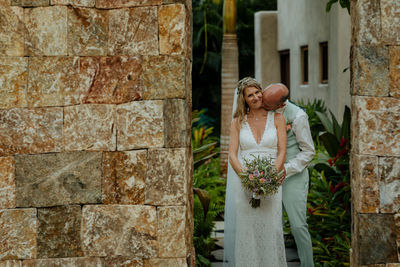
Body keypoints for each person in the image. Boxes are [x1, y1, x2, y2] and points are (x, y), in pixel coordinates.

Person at [223, 77, 288, 267]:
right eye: (250, 95)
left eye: (257, 92)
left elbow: (282, 151)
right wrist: (247, 178)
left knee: (271, 228)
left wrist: (270, 179)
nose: (255, 97)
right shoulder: (237, 122)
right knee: (247, 230)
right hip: (244, 183)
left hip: (272, 182)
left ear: (262, 92)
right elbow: (232, 155)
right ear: (244, 99)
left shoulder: (277, 118)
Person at [262, 83, 315, 267]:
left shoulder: (298, 117)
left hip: (293, 177)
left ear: (281, 106)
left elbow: (308, 151)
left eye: (267, 105)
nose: (262, 106)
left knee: (298, 225)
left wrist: (287, 169)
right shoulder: (262, 110)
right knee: (269, 225)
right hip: (267, 174)